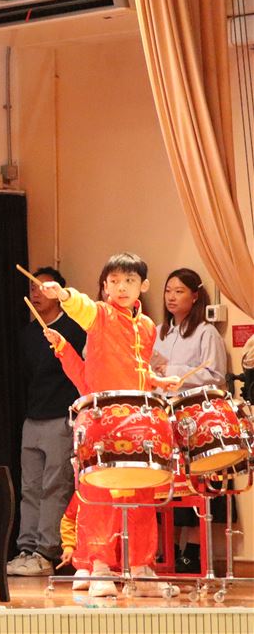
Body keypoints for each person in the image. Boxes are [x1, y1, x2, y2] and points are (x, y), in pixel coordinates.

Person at [39, 252, 182, 598]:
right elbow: (81, 306)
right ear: (104, 287)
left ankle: (142, 567)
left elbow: (135, 368)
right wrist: (64, 295)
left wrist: (158, 382)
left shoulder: (147, 327)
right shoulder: (100, 315)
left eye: (129, 281)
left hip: (138, 421)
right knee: (99, 494)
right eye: (114, 281)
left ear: (143, 286)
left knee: (142, 494)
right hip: (102, 420)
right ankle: (99, 565)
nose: (121, 287)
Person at [7, 267, 87, 578]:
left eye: (42, 287)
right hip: (33, 418)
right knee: (30, 487)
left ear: (58, 292)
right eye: (32, 288)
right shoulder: (28, 334)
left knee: (55, 486)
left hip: (62, 418)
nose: (36, 293)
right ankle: (26, 548)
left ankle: (46, 552)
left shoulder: (74, 328)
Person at [150, 268, 230, 571]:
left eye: (179, 291)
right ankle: (167, 547)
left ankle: (193, 550)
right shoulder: (159, 331)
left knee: (198, 483)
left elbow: (215, 375)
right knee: (166, 483)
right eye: (168, 290)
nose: (171, 297)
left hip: (194, 416)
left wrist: (173, 372)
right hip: (164, 414)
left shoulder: (206, 332)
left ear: (195, 296)